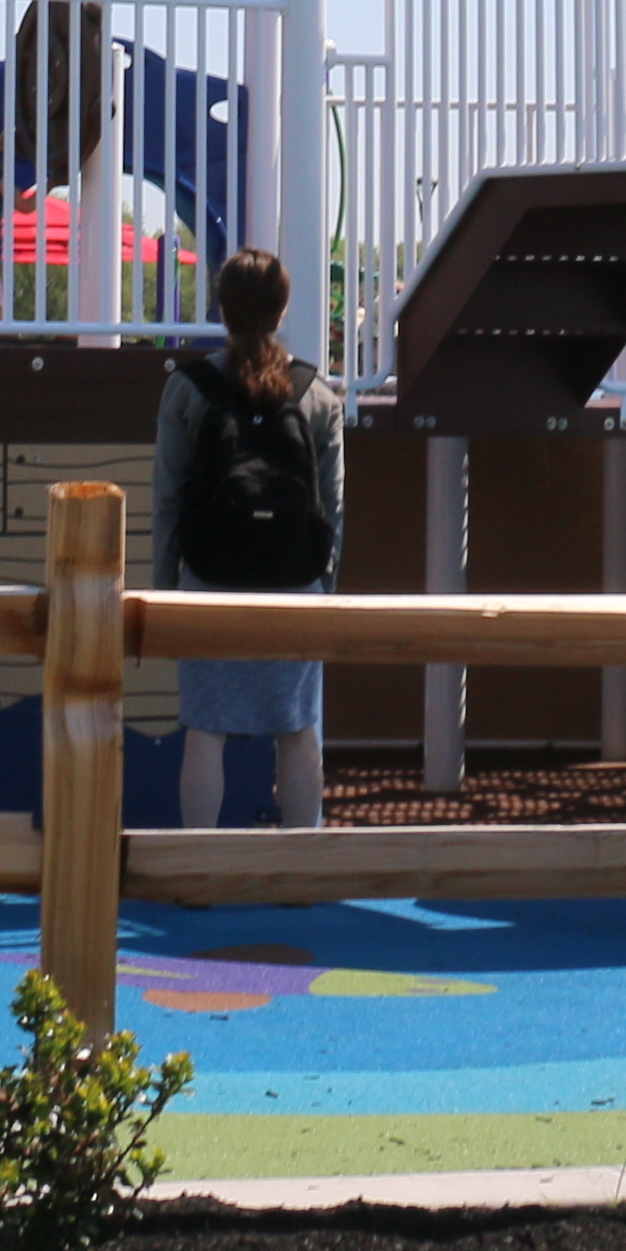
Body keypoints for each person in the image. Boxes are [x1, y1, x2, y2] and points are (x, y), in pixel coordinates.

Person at [149, 243, 346, 831]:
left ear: (222, 307)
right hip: (296, 585)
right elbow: (333, 507)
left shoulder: (187, 389)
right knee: (297, 727)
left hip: (211, 581)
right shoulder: (317, 394)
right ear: (282, 310)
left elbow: (167, 498)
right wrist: (324, 589)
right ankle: (298, 868)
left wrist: (166, 591)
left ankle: (198, 868)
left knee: (206, 730)